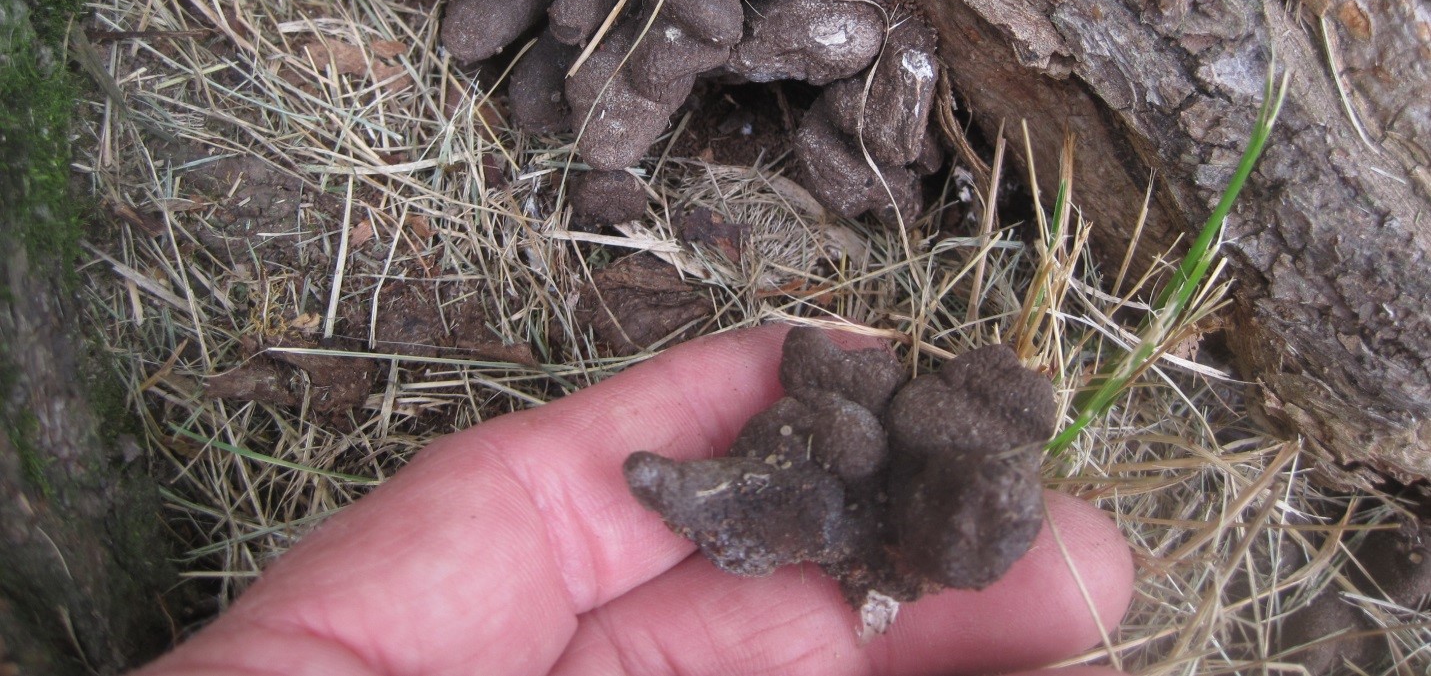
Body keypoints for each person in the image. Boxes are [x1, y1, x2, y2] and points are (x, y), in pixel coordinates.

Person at [134, 326, 1134, 676]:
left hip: (849, 517)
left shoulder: (906, 477)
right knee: (843, 443)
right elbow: (814, 368)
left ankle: (700, 498)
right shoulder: (868, 440)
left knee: (843, 455)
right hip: (829, 487)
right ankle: (698, 497)